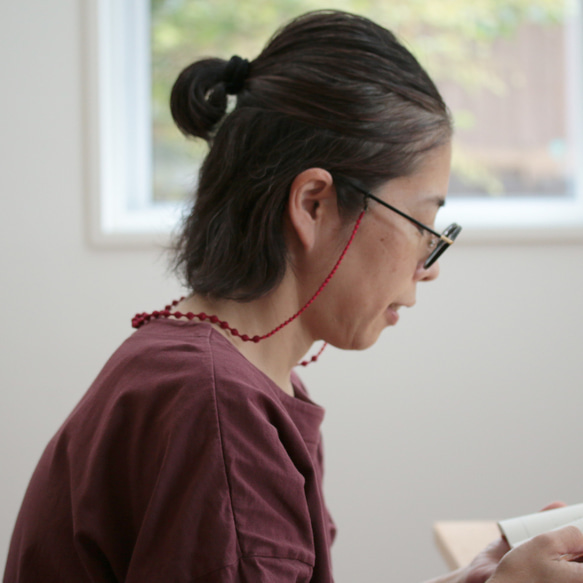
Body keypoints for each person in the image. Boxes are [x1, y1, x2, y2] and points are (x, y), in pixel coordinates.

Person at [4, 9, 583, 583]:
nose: (426, 269)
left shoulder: (216, 374)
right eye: (422, 225)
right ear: (313, 204)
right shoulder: (220, 413)